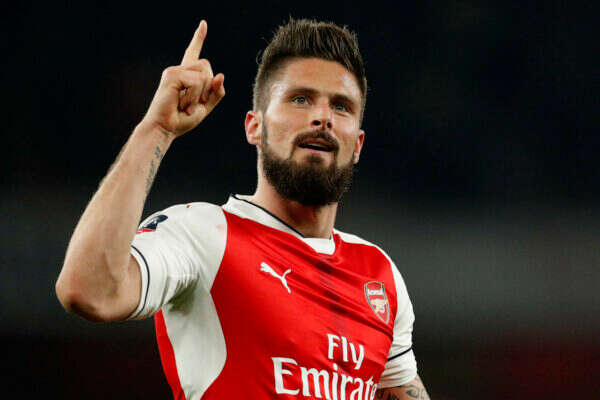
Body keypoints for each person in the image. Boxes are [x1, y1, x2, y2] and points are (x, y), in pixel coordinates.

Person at [56, 18, 431, 400]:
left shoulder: (378, 274)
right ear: (255, 127)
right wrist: (156, 129)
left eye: (341, 106)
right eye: (300, 99)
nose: (323, 118)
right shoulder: (203, 233)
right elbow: (88, 291)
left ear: (358, 145)